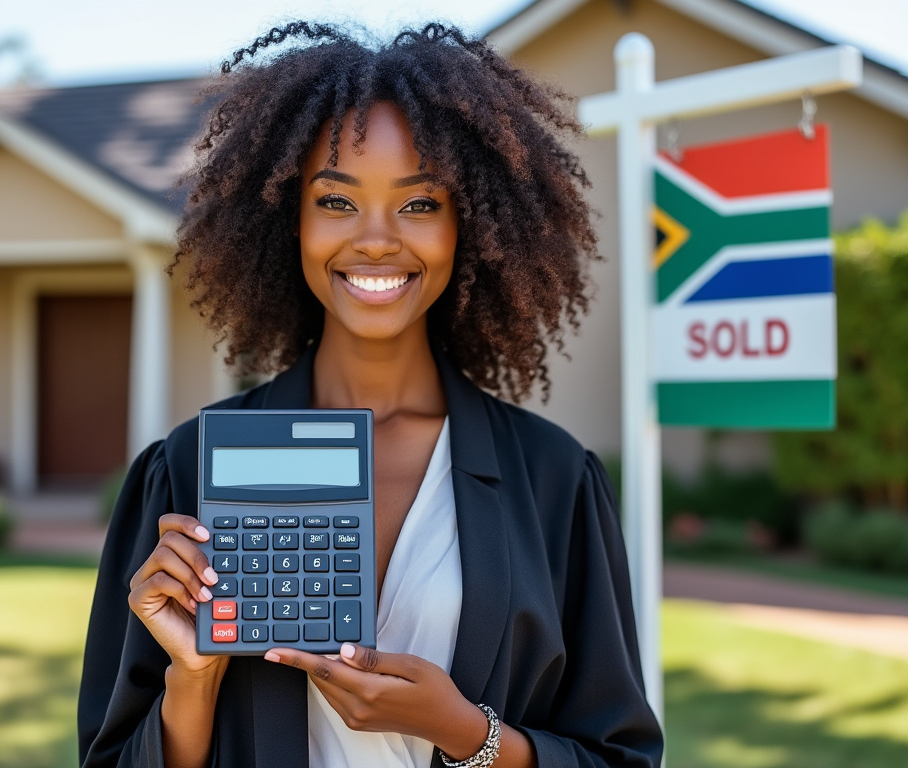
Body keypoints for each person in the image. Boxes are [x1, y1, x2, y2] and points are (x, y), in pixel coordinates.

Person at [78, 22, 663, 768]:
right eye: (336, 201)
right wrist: (192, 678)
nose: (378, 239)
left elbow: (622, 759)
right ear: (288, 220)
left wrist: (465, 732)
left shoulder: (552, 481)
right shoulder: (189, 470)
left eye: (419, 205)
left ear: (469, 226)